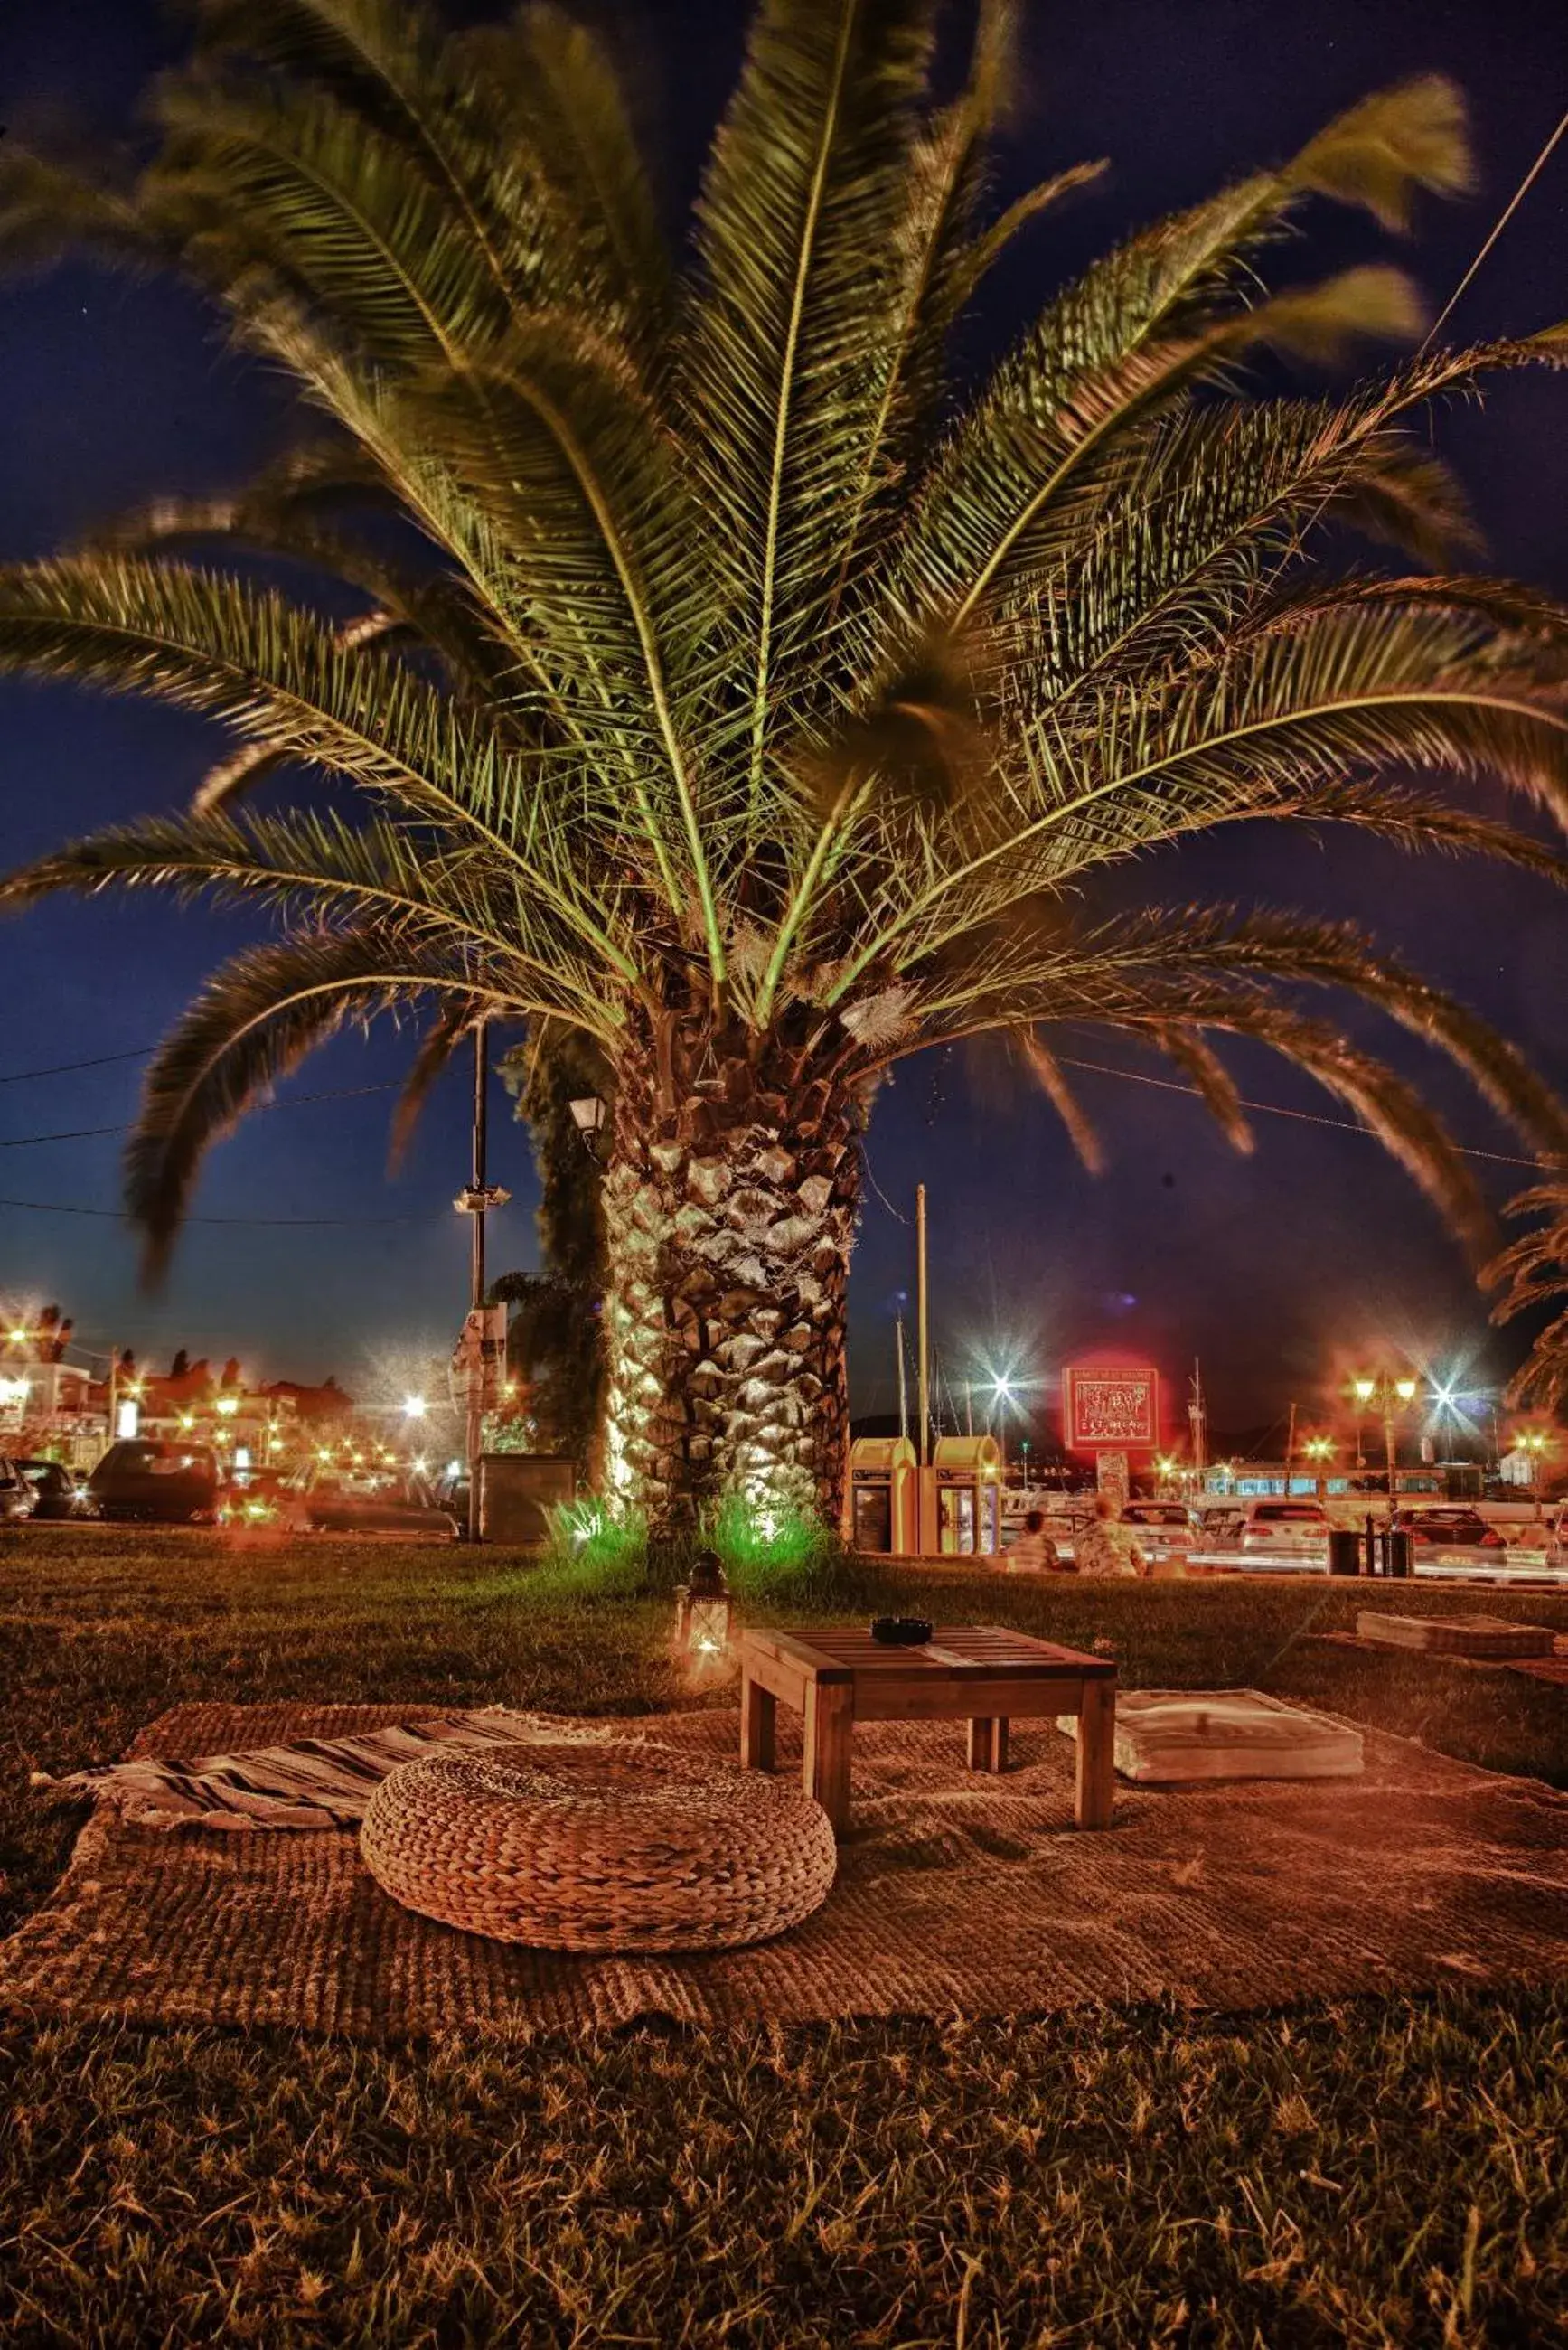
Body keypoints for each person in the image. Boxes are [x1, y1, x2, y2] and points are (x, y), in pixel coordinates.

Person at [1073, 1492, 1148, 1578]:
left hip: (1092, 1582)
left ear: (1096, 1512)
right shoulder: (1126, 1532)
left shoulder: (1082, 1534)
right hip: (1124, 1580)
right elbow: (1141, 1563)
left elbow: (1078, 1563)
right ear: (1114, 1512)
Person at [1005, 1508, 1061, 1574]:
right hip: (1040, 1581)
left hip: (1019, 1581)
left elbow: (1011, 1570)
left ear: (1026, 1526)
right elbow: (1056, 1566)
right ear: (1042, 1525)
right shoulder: (1047, 1544)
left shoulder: (1014, 1546)